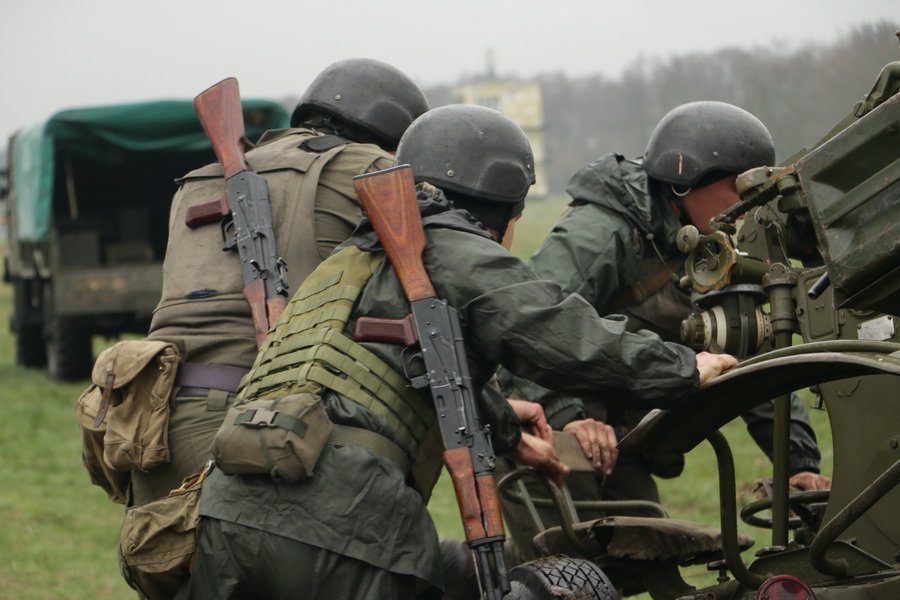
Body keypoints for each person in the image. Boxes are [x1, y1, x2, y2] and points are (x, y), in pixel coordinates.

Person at [177, 104, 736, 599]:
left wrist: (511, 436)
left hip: (223, 520)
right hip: (344, 528)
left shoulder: (346, 262)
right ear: (505, 210)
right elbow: (557, 332)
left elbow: (427, 367)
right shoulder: (452, 249)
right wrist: (686, 367)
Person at [499, 101, 830, 542]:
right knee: (564, 565)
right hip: (546, 417)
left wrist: (799, 464)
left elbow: (750, 350)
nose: (749, 205)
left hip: (620, 434)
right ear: (687, 182)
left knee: (652, 547)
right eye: (739, 187)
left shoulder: (719, 247)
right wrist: (568, 416)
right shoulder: (603, 232)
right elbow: (528, 327)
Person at [131, 58, 430, 507]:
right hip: (267, 428)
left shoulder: (198, 182)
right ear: (391, 135)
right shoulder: (369, 167)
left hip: (153, 429)